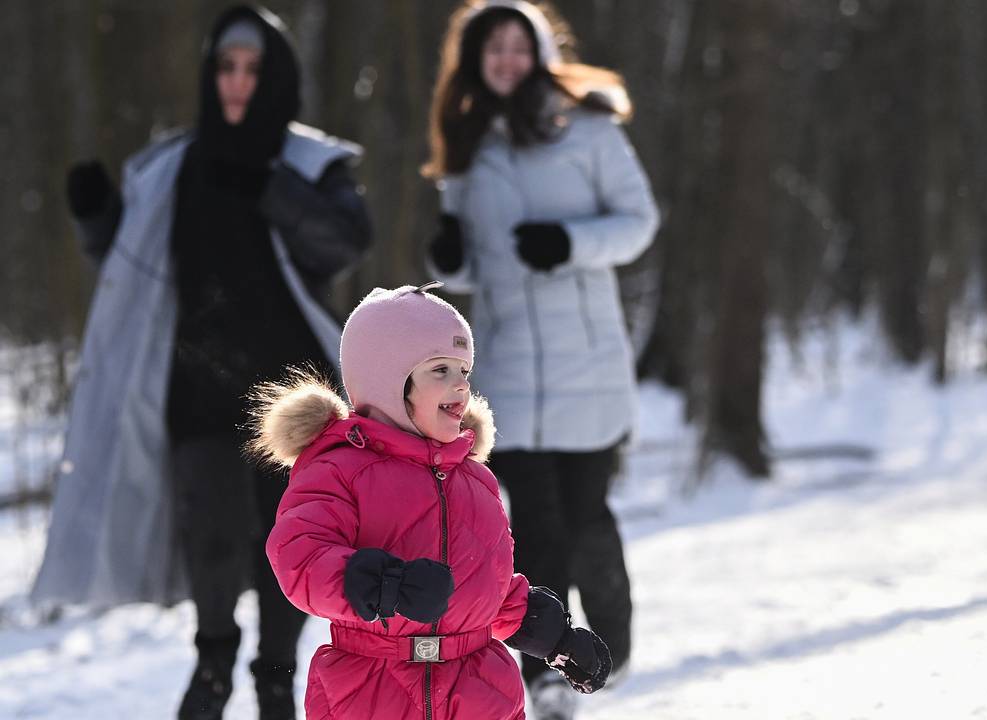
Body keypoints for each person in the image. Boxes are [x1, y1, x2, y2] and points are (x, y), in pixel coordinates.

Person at [31, 6, 372, 719]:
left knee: (292, 546)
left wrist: (270, 186)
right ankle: (213, 664)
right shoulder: (171, 165)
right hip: (196, 393)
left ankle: (276, 677)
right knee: (211, 541)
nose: (239, 82)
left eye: (253, 68)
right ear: (210, 73)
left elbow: (344, 241)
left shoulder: (311, 161)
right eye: (227, 66)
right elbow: (130, 262)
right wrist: (95, 217)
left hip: (294, 404)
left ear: (274, 76)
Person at [422, 2, 658, 715]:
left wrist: (570, 243)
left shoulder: (588, 127)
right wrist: (448, 254)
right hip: (509, 368)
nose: (504, 58)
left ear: (538, 51)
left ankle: (611, 639)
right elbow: (463, 267)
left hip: (585, 359)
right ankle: (552, 670)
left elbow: (638, 222)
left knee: (587, 513)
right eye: (489, 47)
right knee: (532, 522)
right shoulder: (468, 145)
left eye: (515, 44)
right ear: (473, 60)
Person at [253, 284, 610, 720]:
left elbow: (487, 587)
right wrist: (385, 585)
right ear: (388, 383)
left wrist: (554, 636)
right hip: (370, 691)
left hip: (480, 692)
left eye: (465, 371)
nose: (461, 386)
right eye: (440, 370)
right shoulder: (337, 468)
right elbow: (299, 555)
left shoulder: (475, 480)